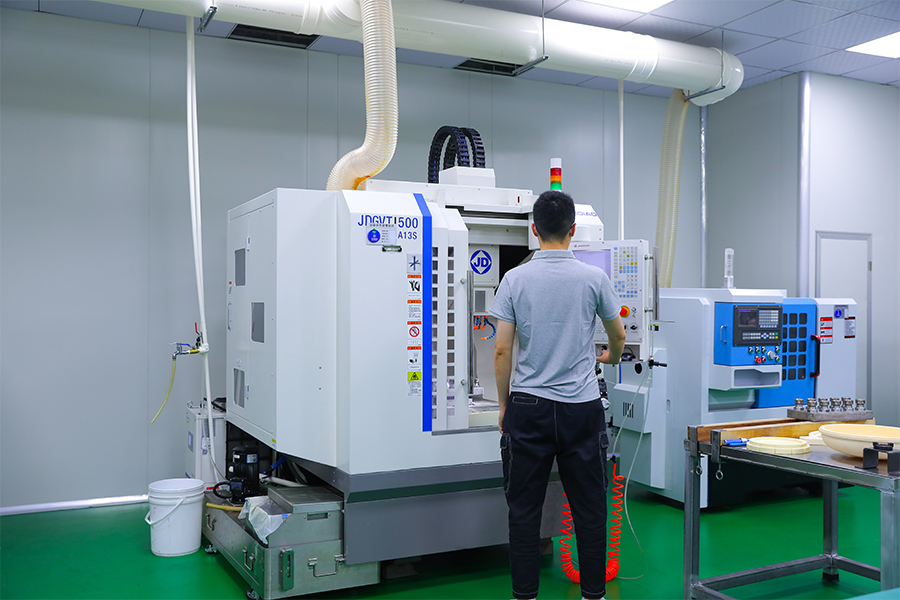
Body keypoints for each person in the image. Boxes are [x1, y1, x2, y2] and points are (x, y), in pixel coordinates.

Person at [489, 190, 626, 600]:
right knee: (590, 508)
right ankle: (593, 594)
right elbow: (619, 334)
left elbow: (501, 350)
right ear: (573, 230)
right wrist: (609, 355)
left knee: (524, 510)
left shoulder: (514, 279)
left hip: (528, 407)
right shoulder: (593, 278)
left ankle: (525, 595)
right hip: (581, 408)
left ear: (534, 230)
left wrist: (504, 405)